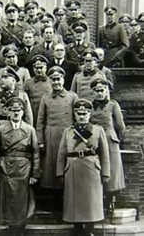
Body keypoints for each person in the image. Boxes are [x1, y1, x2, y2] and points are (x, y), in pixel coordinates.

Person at [56, 98, 110, 236]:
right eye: (78, 113)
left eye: (84, 113)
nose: (81, 116)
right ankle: (78, 229)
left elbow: (104, 154)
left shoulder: (97, 131)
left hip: (91, 169)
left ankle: (89, 230)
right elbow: (61, 154)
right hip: (73, 169)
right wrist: (60, 173)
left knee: (90, 201)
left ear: (89, 114)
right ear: (74, 114)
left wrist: (106, 173)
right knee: (75, 202)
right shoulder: (68, 131)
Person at [0, 97, 40, 236]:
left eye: (19, 110)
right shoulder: (1, 129)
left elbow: (35, 152)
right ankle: (11, 227)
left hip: (24, 168)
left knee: (22, 199)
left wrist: (35, 173)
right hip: (6, 167)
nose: (16, 113)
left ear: (23, 112)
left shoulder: (29, 130)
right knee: (8, 198)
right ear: (8, 112)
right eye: (13, 110)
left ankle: (21, 227)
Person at [36, 66, 78, 216]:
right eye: (53, 80)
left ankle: (68, 201)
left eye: (58, 79)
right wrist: (40, 140)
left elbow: (77, 118)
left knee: (67, 167)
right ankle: (55, 201)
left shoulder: (72, 97)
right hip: (51, 136)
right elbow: (41, 120)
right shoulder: (46, 98)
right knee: (53, 168)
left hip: (67, 136)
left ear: (63, 79)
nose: (56, 82)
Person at [90, 78, 125, 212]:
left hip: (110, 141)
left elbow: (121, 126)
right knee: (98, 169)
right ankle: (98, 200)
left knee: (112, 170)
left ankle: (111, 201)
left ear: (106, 90)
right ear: (93, 92)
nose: (100, 93)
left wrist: (117, 139)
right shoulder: (90, 106)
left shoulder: (113, 105)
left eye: (102, 90)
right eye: (97, 91)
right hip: (96, 141)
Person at [0, 66, 33, 143]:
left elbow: (28, 116)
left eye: (5, 77)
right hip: (0, 129)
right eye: (0, 78)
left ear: (13, 80)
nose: (1, 80)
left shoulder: (22, 95)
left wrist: (29, 132)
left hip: (18, 129)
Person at [24, 55, 51, 127]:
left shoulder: (51, 82)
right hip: (33, 114)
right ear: (33, 69)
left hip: (47, 114)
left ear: (45, 68)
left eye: (41, 68)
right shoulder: (28, 83)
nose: (39, 70)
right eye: (36, 68)